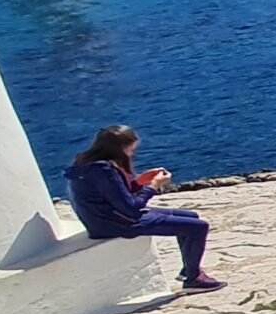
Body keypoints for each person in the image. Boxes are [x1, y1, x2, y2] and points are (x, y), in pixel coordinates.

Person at [64, 125, 223, 292]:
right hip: (116, 223)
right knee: (199, 227)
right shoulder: (105, 171)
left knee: (191, 216)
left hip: (104, 219)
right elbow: (131, 208)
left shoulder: (87, 165)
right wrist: (153, 186)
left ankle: (189, 268)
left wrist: (140, 181)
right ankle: (194, 279)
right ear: (122, 148)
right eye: (131, 149)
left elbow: (115, 195)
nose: (131, 153)